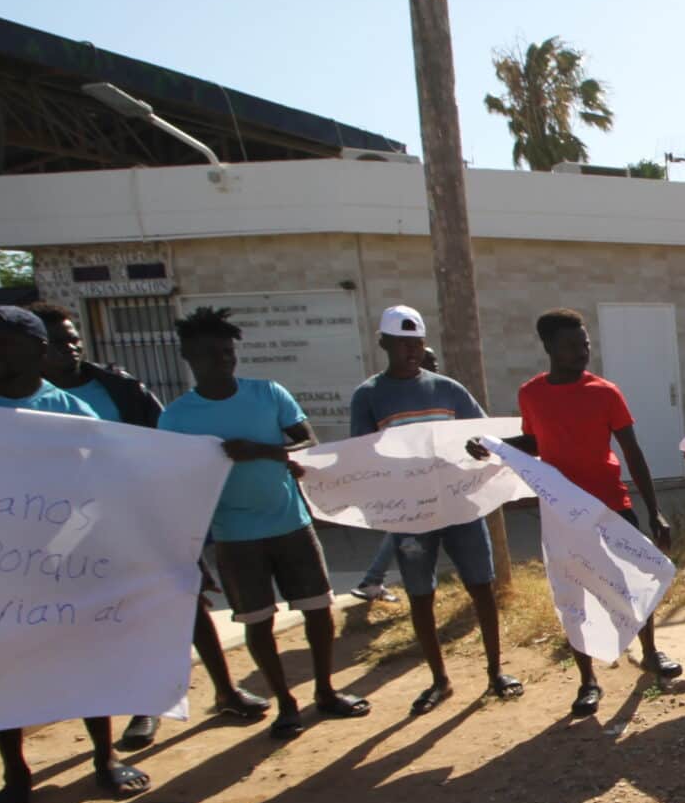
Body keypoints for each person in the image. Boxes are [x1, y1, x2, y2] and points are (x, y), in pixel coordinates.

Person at [32, 303, 270, 748]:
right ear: (35, 348)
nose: (73, 345)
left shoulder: (118, 389)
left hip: (138, 514)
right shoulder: (23, 400)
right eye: (60, 340)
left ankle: (226, 689)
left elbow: (166, 452)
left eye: (74, 336)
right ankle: (146, 705)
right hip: (68, 527)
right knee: (106, 617)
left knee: (186, 600)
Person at [0, 306, 149, 803]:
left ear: (39, 350)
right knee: (1, 667)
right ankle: (16, 772)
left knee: (84, 662)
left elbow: (97, 494)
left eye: (3, 340)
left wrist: (58, 551)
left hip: (59, 565)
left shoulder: (73, 414)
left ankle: (103, 758)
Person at [160, 307, 370, 740]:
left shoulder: (269, 394)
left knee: (318, 610)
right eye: (211, 355)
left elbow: (306, 440)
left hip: (291, 523)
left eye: (228, 352)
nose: (223, 361)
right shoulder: (177, 417)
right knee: (257, 622)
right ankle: (286, 704)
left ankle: (326, 692)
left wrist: (263, 450)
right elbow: (172, 483)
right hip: (235, 537)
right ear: (189, 358)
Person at [470, 307, 678, 717]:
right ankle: (588, 679)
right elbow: (534, 442)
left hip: (611, 507)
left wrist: (654, 511)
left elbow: (632, 453)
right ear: (548, 347)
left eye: (584, 344)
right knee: (574, 595)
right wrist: (493, 444)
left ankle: (650, 652)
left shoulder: (605, 392)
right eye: (571, 345)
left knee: (632, 582)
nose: (582, 351)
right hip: (562, 513)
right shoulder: (531, 394)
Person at [349, 306, 522, 712]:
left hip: (460, 507)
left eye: (417, 344)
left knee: (481, 587)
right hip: (411, 514)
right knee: (420, 595)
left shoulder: (448, 389)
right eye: (401, 344)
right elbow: (360, 454)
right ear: (384, 344)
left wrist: (481, 449)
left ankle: (496, 671)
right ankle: (439, 680)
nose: (410, 351)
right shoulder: (370, 395)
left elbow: (484, 436)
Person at [351, 342, 443, 603]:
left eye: (434, 363)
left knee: (402, 531)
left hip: (436, 483)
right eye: (430, 362)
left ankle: (372, 579)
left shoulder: (443, 391)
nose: (434, 368)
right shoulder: (378, 394)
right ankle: (373, 580)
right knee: (405, 534)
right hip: (409, 483)